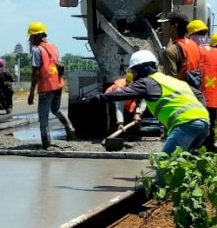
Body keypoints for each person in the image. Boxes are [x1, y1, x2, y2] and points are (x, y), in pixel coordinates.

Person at [89, 50, 210, 184]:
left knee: (164, 161)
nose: (132, 76)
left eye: (133, 72)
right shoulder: (172, 81)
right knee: (185, 160)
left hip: (185, 124)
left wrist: (98, 98)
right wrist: (201, 114)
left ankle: (163, 196)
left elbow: (122, 94)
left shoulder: (147, 82)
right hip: (203, 123)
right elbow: (199, 95)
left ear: (142, 69)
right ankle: (187, 189)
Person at [26, 21, 76, 149]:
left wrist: (31, 93)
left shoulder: (37, 50)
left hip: (46, 87)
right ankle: (70, 128)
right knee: (56, 109)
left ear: (37, 36)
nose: (30, 39)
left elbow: (35, 72)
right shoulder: (53, 46)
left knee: (43, 116)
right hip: (58, 85)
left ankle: (46, 142)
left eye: (31, 37)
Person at [197, 29, 217, 151]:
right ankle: (210, 148)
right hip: (215, 98)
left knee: (202, 125)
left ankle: (202, 148)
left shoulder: (199, 51)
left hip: (200, 98)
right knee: (211, 124)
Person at [156, 13, 201, 86]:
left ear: (175, 26)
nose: (164, 27)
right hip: (194, 92)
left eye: (166, 24)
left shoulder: (170, 51)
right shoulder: (194, 45)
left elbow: (171, 82)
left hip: (180, 94)